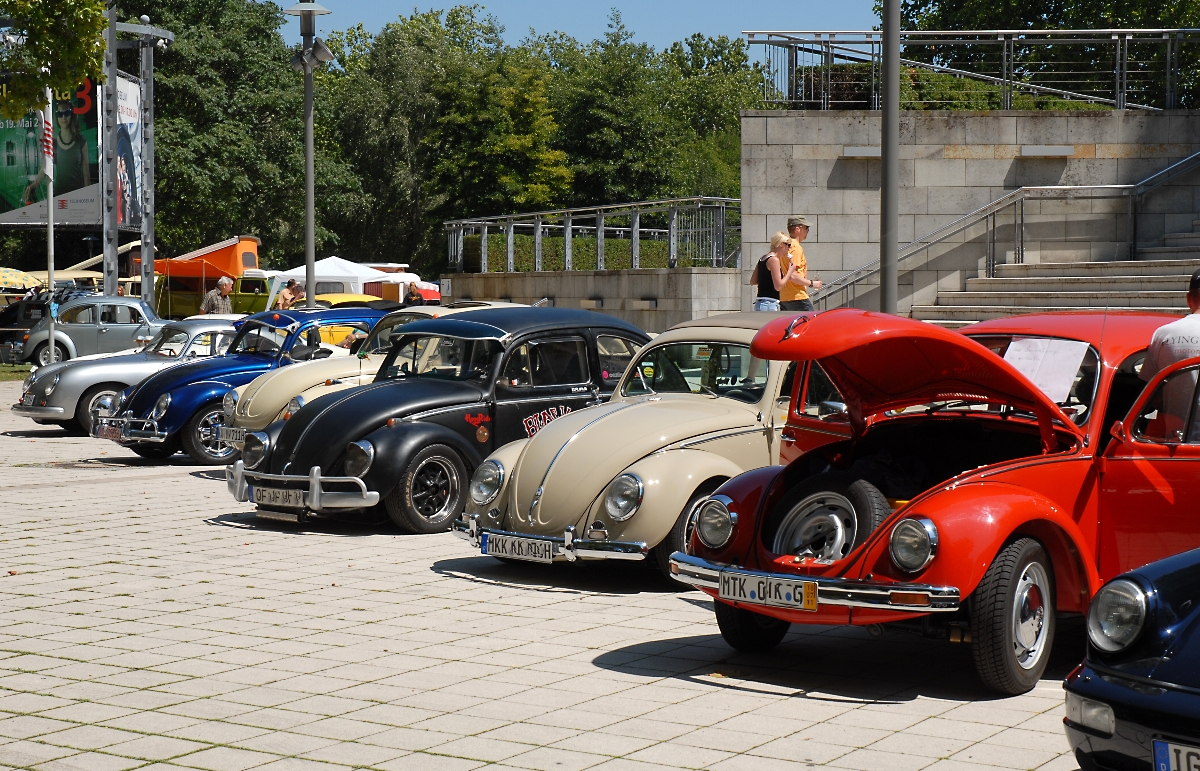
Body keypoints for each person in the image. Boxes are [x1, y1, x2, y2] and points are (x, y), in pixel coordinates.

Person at [779, 216, 822, 312]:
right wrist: (812, 283)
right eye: (806, 228)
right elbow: (792, 275)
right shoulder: (796, 247)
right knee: (811, 324)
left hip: (785, 297)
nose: (808, 231)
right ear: (798, 229)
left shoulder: (785, 246)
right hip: (797, 297)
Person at [750, 231, 797, 311]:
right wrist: (790, 271)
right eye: (788, 245)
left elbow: (753, 281)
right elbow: (778, 286)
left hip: (761, 303)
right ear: (781, 244)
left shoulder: (763, 258)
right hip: (769, 304)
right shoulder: (774, 260)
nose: (789, 249)